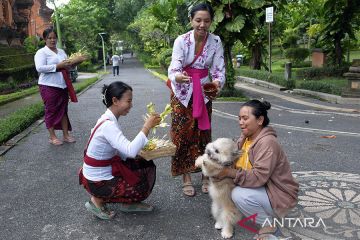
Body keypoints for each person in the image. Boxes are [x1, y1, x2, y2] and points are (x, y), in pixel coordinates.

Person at [214, 100, 299, 240]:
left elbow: (257, 177)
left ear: (260, 120)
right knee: (224, 184)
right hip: (264, 190)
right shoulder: (245, 138)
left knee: (239, 194)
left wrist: (227, 173)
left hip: (279, 195)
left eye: (245, 118)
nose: (241, 122)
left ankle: (269, 225)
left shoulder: (267, 143)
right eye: (239, 118)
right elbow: (234, 162)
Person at [79, 81, 161, 220]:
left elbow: (123, 151)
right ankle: (97, 201)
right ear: (115, 100)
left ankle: (123, 201)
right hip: (97, 182)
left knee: (143, 163)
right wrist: (147, 127)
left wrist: (140, 154)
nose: (131, 105)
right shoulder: (108, 125)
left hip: (95, 174)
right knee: (140, 181)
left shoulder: (107, 119)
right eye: (129, 101)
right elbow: (129, 151)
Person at [167, 3, 225, 197]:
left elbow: (218, 69)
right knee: (182, 135)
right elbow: (175, 66)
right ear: (191, 20)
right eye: (198, 20)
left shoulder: (216, 41)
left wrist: (216, 83)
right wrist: (177, 76)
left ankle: (206, 175)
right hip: (182, 92)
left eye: (206, 21)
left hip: (203, 91)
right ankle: (186, 177)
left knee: (203, 134)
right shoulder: (181, 41)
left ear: (211, 22)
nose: (202, 25)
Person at [34, 27, 75, 146]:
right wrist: (57, 66)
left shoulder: (61, 51)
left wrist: (74, 63)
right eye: (49, 38)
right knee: (51, 110)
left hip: (62, 85)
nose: (52, 40)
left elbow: (67, 66)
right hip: (48, 85)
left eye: (54, 38)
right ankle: (52, 137)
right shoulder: (41, 52)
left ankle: (66, 135)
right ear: (45, 39)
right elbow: (39, 68)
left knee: (63, 111)